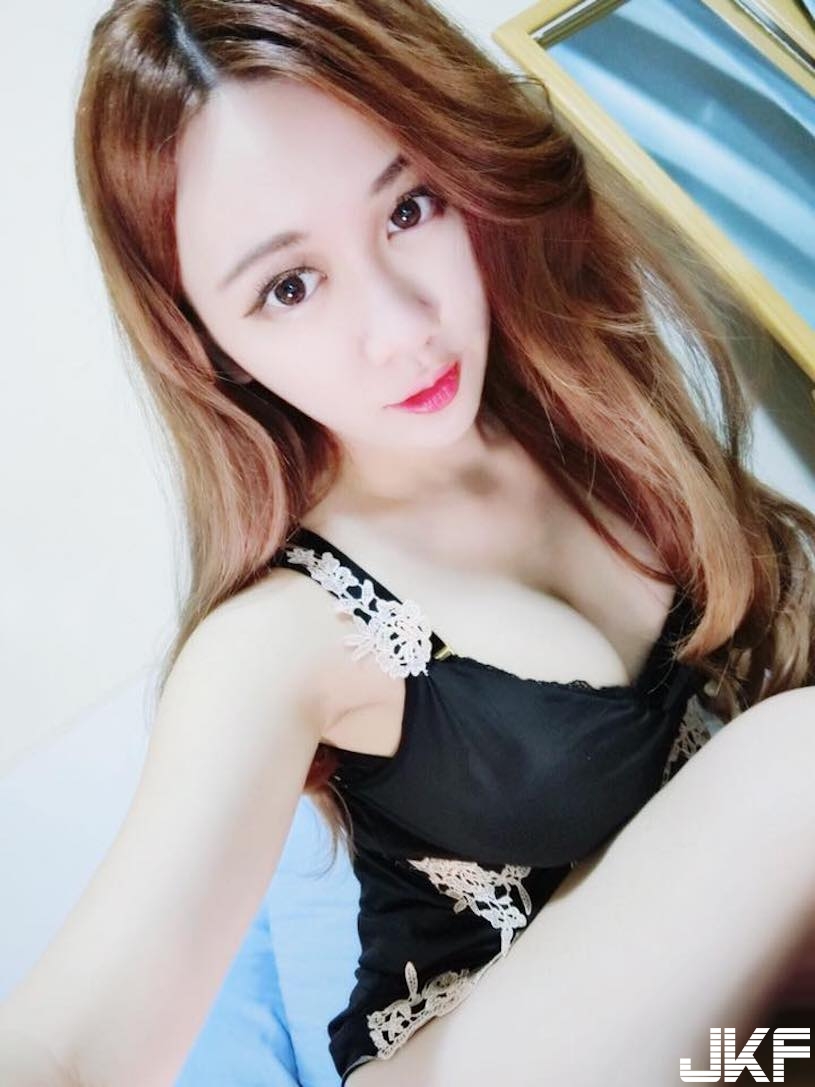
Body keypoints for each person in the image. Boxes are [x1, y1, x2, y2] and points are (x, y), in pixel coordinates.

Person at [1, 1, 814, 1084]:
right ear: (206, 344)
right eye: (288, 287)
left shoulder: (587, 405)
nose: (400, 327)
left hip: (721, 1044)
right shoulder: (283, 639)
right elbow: (70, 1044)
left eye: (408, 207)